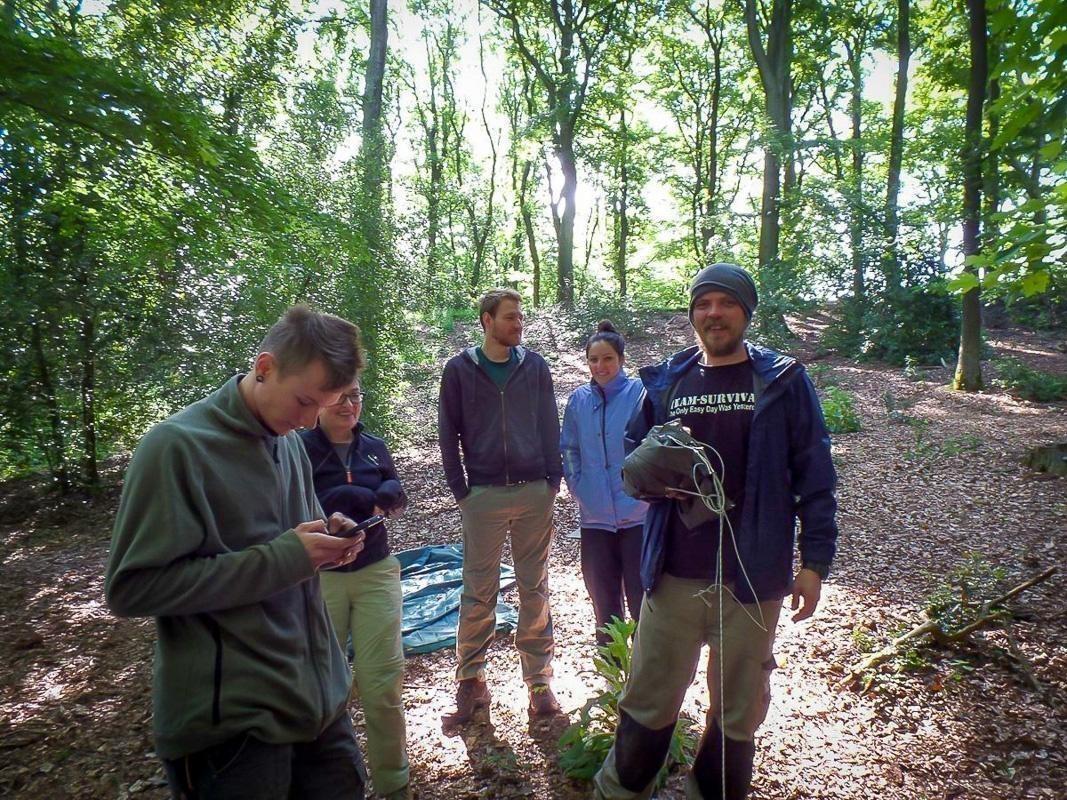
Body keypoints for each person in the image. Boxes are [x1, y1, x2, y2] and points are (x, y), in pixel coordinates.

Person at [593, 263, 838, 800]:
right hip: (673, 575)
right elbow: (633, 461)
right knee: (647, 702)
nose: (714, 313)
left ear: (746, 312)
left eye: (726, 303)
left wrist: (815, 562)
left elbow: (815, 473)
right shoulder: (667, 382)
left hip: (753, 581)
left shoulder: (781, 381)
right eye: (703, 304)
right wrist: (657, 474)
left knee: (737, 714)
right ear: (692, 314)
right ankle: (619, 793)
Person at [105, 306, 370, 800]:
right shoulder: (177, 448)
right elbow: (132, 588)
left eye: (324, 405)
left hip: (318, 705)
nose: (309, 420)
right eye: (304, 401)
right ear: (264, 367)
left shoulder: (288, 441)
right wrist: (287, 558)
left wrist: (329, 539)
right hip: (234, 730)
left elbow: (293, 541)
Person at [437, 288, 564, 725]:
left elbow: (549, 423)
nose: (519, 323)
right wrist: (461, 490)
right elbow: (448, 433)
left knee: (535, 587)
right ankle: (471, 680)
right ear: (487, 321)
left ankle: (539, 682)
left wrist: (552, 480)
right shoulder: (459, 370)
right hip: (483, 495)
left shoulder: (534, 367)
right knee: (478, 589)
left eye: (520, 316)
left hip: (533, 492)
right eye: (510, 317)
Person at [299, 377, 410, 800]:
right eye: (339, 396)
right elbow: (301, 503)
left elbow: (395, 494)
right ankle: (330, 785)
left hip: (375, 570)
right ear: (321, 400)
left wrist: (381, 496)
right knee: (324, 685)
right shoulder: (299, 449)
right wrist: (354, 497)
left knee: (382, 682)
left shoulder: (374, 447)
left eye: (356, 396)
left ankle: (394, 783)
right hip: (321, 577)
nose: (349, 405)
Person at [560, 320, 648, 648]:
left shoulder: (640, 393)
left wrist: (646, 489)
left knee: (643, 600)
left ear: (621, 359)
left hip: (638, 514)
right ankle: (612, 669)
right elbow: (569, 448)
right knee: (603, 603)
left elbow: (656, 445)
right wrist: (578, 487)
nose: (600, 366)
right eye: (593, 360)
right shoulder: (579, 400)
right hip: (595, 518)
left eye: (608, 358)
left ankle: (646, 671)